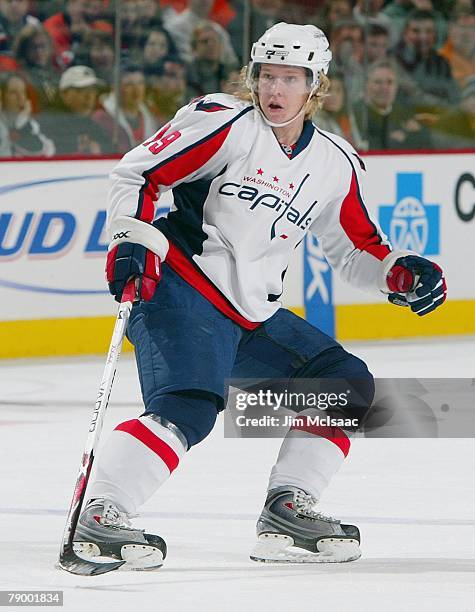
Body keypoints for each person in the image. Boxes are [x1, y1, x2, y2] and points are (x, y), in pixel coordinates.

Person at [73, 23, 447, 570]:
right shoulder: (224, 123)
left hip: (252, 312)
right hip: (182, 286)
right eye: (266, 76)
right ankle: (102, 513)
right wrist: (132, 237)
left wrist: (398, 273)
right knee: (187, 406)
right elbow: (140, 174)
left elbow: (356, 248)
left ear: (314, 86)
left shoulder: (334, 164)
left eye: (290, 78)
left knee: (342, 384)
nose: (274, 89)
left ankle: (288, 508)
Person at [353, 60, 433, 150]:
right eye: (378, 82)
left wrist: (404, 138)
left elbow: (426, 139)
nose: (384, 88)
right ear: (367, 85)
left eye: (389, 82)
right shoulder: (356, 113)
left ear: (396, 86)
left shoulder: (404, 112)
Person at [39, 64, 113, 154]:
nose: (89, 96)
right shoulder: (47, 125)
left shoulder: (95, 127)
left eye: (92, 90)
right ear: (64, 94)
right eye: (81, 90)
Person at [93, 64, 158, 153]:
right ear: (114, 87)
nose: (136, 90)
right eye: (129, 85)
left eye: (140, 83)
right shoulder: (102, 117)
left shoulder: (151, 112)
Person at [0, 72, 55, 156]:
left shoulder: (33, 122)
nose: (20, 96)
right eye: (13, 92)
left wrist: (23, 121)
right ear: (2, 95)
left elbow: (38, 149)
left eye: (22, 91)